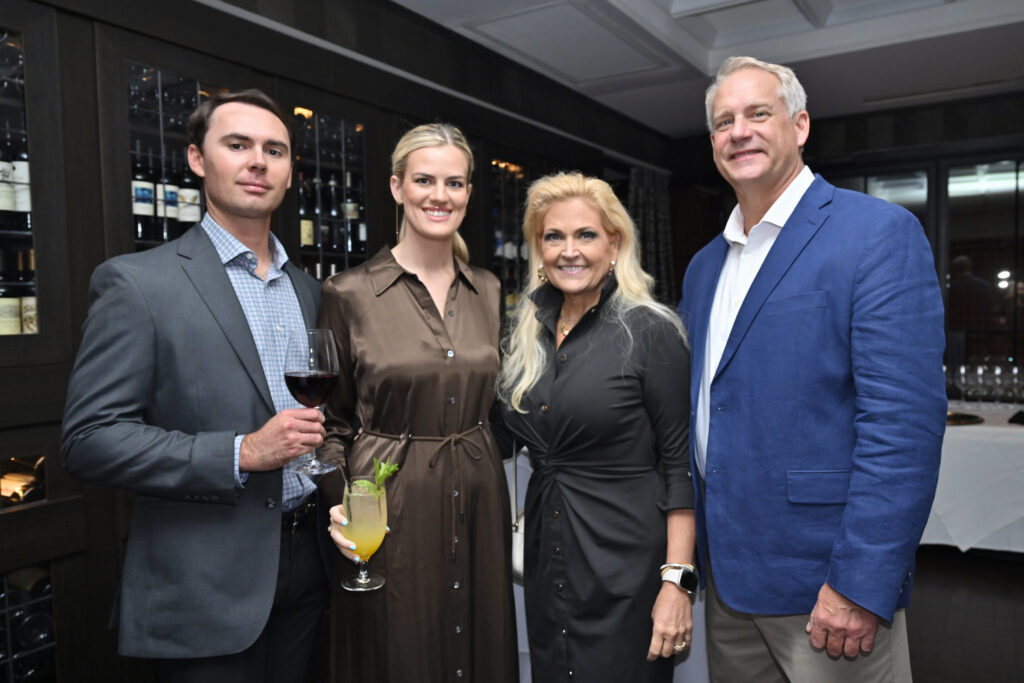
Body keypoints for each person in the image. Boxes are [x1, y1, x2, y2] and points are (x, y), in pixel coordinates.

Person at [678, 56, 946, 681]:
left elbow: (902, 428)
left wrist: (861, 583)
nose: (738, 131)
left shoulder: (877, 233)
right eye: (723, 121)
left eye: (758, 114)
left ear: (799, 126)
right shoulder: (703, 267)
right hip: (728, 583)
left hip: (826, 589)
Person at [61, 90, 328, 682]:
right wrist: (241, 452)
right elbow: (90, 439)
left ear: (290, 174)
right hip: (203, 590)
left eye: (274, 150)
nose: (258, 162)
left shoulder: (310, 291)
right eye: (237, 145)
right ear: (198, 160)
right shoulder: (137, 284)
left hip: (310, 568)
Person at [319, 123, 517, 683]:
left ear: (469, 193)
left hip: (479, 493)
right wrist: (345, 505)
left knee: (478, 638)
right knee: (397, 647)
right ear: (396, 186)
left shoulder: (489, 288)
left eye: (454, 183)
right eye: (424, 180)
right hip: (387, 501)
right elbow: (330, 422)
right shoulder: (348, 292)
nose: (440, 195)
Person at [496, 172, 696, 682]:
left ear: (615, 244)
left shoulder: (651, 331)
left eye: (586, 235)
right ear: (538, 250)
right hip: (549, 562)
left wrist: (676, 584)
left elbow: (678, 469)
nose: (569, 251)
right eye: (553, 236)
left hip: (627, 571)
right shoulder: (525, 334)